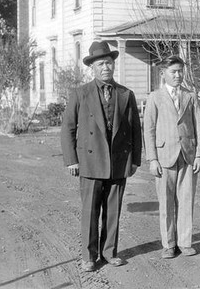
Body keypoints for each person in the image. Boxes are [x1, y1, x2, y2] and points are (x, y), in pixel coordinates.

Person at [61, 40, 142, 272]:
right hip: (89, 161)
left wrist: (135, 159)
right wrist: (71, 160)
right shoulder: (80, 94)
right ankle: (88, 256)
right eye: (100, 64)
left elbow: (135, 129)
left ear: (113, 65)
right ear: (92, 68)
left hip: (118, 162)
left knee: (113, 209)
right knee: (90, 210)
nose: (105, 67)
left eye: (108, 62)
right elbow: (68, 128)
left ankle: (109, 252)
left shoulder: (126, 94)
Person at [143, 55, 200, 259]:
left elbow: (199, 126)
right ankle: (168, 244)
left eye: (180, 71)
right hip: (164, 156)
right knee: (166, 202)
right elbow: (149, 130)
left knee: (186, 200)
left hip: (187, 155)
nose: (178, 75)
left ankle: (185, 242)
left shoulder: (190, 96)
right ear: (163, 74)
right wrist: (152, 159)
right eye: (173, 72)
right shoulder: (154, 97)